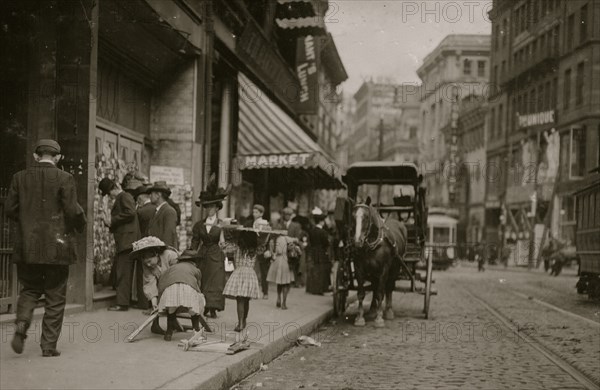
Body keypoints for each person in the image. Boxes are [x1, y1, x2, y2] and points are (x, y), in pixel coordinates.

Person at [6, 139, 86, 357]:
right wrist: (79, 225)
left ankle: (21, 326)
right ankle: (48, 347)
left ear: (35, 156)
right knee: (55, 297)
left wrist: (26, 221)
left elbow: (10, 209)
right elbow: (72, 211)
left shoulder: (19, 177)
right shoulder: (65, 178)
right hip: (57, 249)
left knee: (29, 290)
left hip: (28, 248)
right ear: (58, 157)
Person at [99, 177, 141, 312]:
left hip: (127, 240)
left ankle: (122, 303)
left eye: (109, 192)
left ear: (113, 188)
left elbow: (130, 212)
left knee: (123, 272)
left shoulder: (124, 196)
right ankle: (124, 301)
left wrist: (112, 220)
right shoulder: (124, 197)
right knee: (124, 271)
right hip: (126, 239)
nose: (110, 196)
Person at [192, 173, 230, 318]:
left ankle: (213, 308)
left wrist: (227, 255)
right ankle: (204, 307)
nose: (209, 210)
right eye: (207, 207)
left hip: (216, 255)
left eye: (212, 207)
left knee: (215, 282)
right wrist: (191, 254)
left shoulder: (221, 224)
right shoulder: (199, 224)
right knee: (202, 280)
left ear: (217, 208)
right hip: (203, 255)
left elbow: (226, 242)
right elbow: (195, 241)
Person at [221, 227, 275, 331]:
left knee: (240, 299)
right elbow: (264, 243)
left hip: (239, 273)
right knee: (246, 300)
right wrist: (267, 234)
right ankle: (244, 321)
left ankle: (240, 323)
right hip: (250, 274)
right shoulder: (256, 249)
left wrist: (222, 231)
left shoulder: (236, 247)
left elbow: (223, 246)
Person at [130, 236, 180, 335]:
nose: (148, 265)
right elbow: (149, 282)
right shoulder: (146, 265)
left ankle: (172, 321)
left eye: (149, 261)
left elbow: (179, 273)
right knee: (157, 298)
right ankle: (155, 325)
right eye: (145, 262)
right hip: (162, 284)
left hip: (177, 281)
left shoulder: (170, 255)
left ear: (156, 255)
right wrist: (154, 301)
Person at [154, 250, 205, 341]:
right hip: (188, 288)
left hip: (171, 289)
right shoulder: (196, 270)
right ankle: (196, 331)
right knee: (194, 311)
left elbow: (163, 280)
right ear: (195, 261)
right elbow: (197, 285)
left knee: (171, 310)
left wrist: (160, 298)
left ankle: (169, 333)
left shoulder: (172, 268)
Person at [245, 204, 270, 299]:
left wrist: (268, 250)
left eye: (256, 212)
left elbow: (268, 237)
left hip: (262, 249)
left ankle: (265, 292)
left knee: (263, 272)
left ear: (261, 213)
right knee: (251, 270)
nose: (254, 214)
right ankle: (251, 292)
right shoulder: (249, 223)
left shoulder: (265, 224)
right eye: (253, 212)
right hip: (251, 249)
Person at [306, 207, 331, 295]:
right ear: (321, 221)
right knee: (321, 270)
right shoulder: (323, 232)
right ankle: (321, 289)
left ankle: (312, 289)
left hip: (313, 252)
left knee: (314, 270)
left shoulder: (311, 231)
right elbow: (326, 243)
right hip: (321, 253)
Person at [147, 181, 179, 249]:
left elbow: (168, 237)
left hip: (163, 253)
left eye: (151, 194)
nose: (150, 196)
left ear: (158, 195)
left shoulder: (169, 211)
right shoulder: (156, 211)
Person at [267, 234, 295, 309]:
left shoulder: (273, 240)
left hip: (277, 261)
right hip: (285, 261)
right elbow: (293, 247)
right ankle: (284, 303)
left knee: (279, 282)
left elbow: (272, 253)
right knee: (285, 283)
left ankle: (278, 298)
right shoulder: (287, 238)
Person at [278, 207, 304, 287]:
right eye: (285, 215)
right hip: (282, 245)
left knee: (295, 259)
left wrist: (292, 242)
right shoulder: (280, 224)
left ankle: (296, 280)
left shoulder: (296, 225)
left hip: (292, 245)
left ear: (291, 216)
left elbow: (297, 237)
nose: (287, 216)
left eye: (289, 215)